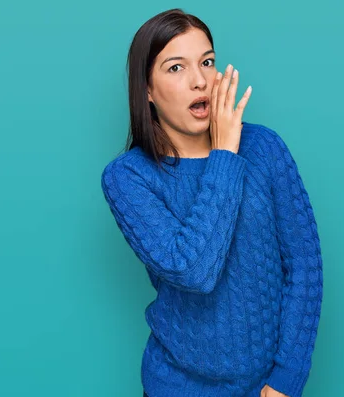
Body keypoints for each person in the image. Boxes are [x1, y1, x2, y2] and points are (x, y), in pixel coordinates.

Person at [101, 8, 324, 397]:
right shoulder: (128, 177)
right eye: (176, 68)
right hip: (177, 385)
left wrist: (287, 378)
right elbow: (195, 271)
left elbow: (304, 266)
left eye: (207, 62)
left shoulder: (265, 147)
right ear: (147, 90)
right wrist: (224, 154)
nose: (200, 81)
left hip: (267, 388)